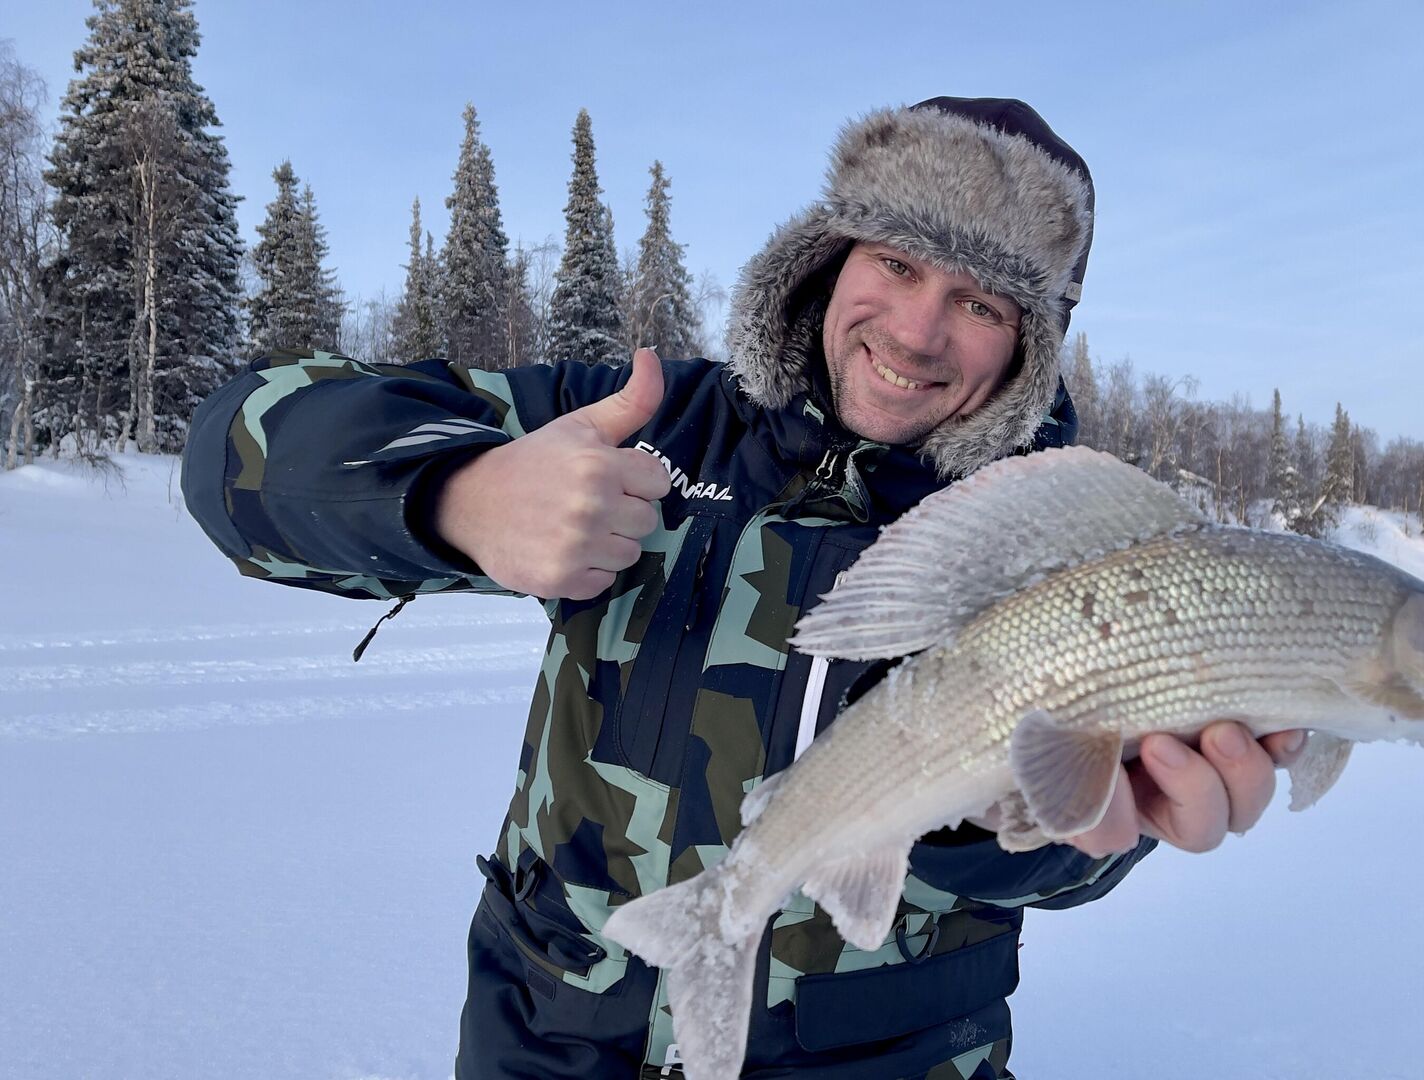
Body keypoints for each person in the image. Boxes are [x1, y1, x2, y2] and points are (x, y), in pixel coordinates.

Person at [183, 97, 1304, 1080]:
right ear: (830, 257)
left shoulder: (1068, 542)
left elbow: (1065, 863)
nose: (917, 333)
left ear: (1030, 342)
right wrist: (457, 495)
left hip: (881, 1055)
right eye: (899, 265)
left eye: (982, 304)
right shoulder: (647, 415)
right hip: (551, 1035)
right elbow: (236, 445)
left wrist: (1016, 826)